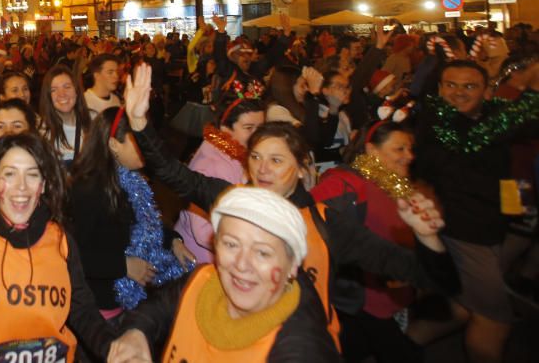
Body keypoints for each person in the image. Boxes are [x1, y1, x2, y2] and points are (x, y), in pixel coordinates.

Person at [124, 62, 458, 349]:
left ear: (301, 168)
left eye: (276, 160)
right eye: (255, 157)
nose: (262, 168)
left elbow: (434, 278)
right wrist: (140, 124)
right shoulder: (236, 201)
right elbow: (174, 173)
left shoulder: (327, 224)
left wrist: (428, 240)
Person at [0, 39, 123, 362]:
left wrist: (112, 347)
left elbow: (81, 311)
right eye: (9, 174)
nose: (20, 188)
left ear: (44, 184)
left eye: (32, 175)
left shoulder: (60, 240)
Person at [108, 187, 339, 363]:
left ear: (292, 267)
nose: (241, 264)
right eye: (231, 244)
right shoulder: (202, 281)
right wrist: (136, 332)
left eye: (262, 252)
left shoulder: (301, 350)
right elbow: (156, 307)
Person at [413, 59, 539, 363]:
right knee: (495, 319)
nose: (458, 93)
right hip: (459, 231)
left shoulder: (492, 114)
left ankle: (399, 345)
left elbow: (524, 122)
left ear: (486, 91)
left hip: (491, 227)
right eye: (451, 85)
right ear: (440, 88)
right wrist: (531, 92)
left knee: (459, 309)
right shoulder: (435, 118)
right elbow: (474, 137)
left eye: (469, 86)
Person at [311, 121, 424, 362]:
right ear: (372, 151)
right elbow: (306, 215)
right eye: (400, 149)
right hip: (369, 301)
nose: (409, 156)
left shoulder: (397, 185)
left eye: (410, 149)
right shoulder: (344, 185)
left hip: (393, 295)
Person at [69, 105, 192, 324]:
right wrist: (124, 265)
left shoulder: (132, 180)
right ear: (114, 144)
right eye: (137, 141)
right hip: (100, 309)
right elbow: (75, 255)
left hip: (132, 301)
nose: (146, 147)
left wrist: (174, 242)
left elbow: (145, 225)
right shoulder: (88, 189)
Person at [173, 97, 265, 263]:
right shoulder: (211, 165)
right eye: (248, 128)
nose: (257, 135)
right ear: (225, 129)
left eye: (261, 128)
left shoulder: (240, 154)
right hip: (201, 260)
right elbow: (203, 232)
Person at [39, 64, 91, 165]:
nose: (62, 94)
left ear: (76, 91)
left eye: (67, 87)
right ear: (48, 96)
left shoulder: (93, 121)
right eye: (54, 90)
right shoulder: (42, 131)